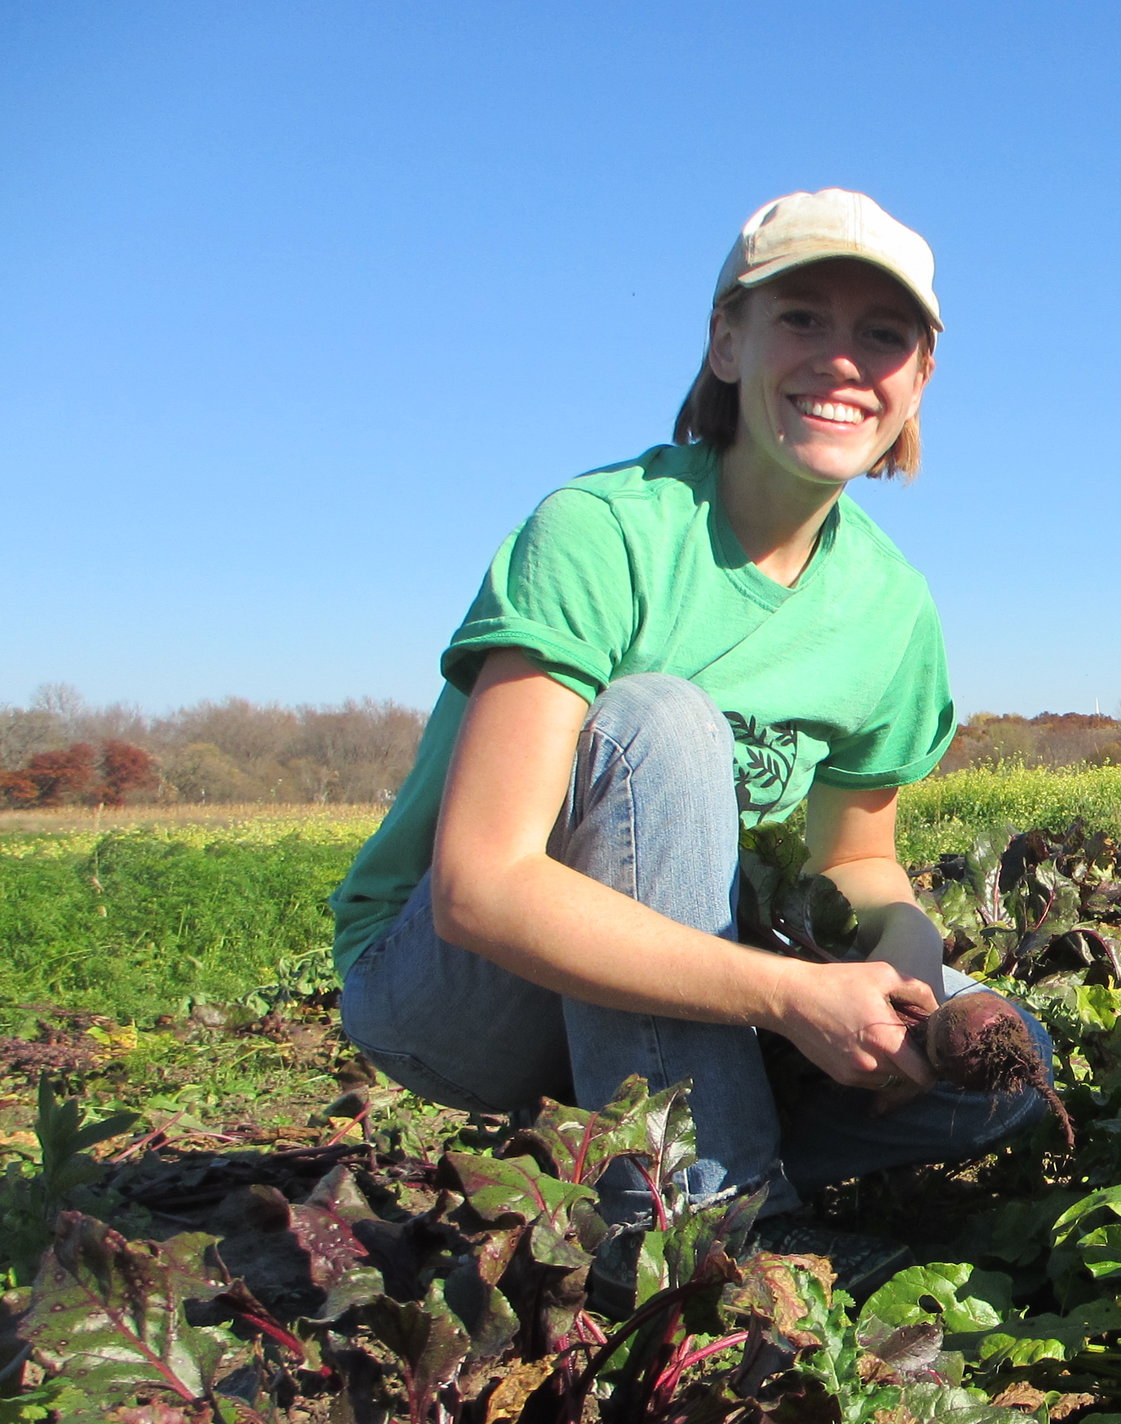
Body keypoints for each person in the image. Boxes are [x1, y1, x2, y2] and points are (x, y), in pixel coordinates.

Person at [329, 186, 1052, 1235]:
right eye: (801, 318)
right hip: (453, 997)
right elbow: (479, 889)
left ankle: (624, 1161)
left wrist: (897, 959)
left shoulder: (892, 609)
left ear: (920, 378)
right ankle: (698, 1227)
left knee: (1006, 1063)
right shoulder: (600, 533)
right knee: (663, 726)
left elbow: (857, 862)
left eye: (882, 334)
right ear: (726, 342)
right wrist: (789, 998)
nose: (843, 359)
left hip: (670, 987)